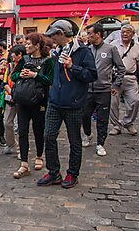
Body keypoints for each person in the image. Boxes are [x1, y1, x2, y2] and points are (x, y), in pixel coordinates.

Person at [37, 20, 97, 189]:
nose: (52, 40)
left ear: (62, 34)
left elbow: (91, 75)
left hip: (74, 103)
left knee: (74, 141)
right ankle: (54, 171)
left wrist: (73, 67)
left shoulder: (83, 52)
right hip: (55, 102)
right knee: (48, 136)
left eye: (54, 36)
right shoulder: (57, 52)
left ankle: (72, 173)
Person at [12, 33, 54, 178]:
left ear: (37, 46)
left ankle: (39, 156)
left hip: (39, 101)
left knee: (38, 129)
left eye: (29, 44)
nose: (26, 46)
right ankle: (24, 163)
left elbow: (50, 80)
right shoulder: (24, 59)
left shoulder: (48, 61)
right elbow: (13, 75)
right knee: (22, 131)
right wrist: (21, 75)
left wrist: (35, 75)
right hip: (23, 100)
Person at [83, 23, 125, 157]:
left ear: (98, 34)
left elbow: (121, 68)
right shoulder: (87, 50)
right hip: (88, 90)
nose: (88, 36)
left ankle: (100, 143)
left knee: (102, 119)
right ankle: (88, 134)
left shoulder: (110, 49)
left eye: (90, 33)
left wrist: (116, 84)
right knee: (85, 115)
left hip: (104, 90)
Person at [109, 24, 139, 136]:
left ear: (133, 34)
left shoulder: (138, 47)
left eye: (127, 32)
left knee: (134, 101)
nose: (125, 34)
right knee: (113, 103)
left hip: (130, 77)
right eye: (123, 32)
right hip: (115, 78)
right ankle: (116, 126)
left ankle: (128, 122)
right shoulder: (113, 45)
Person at [3, 44, 26, 155]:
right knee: (7, 122)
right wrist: (11, 92)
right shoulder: (10, 67)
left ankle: (21, 149)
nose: (11, 56)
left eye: (13, 54)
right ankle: (11, 143)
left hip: (22, 98)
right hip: (10, 97)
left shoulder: (26, 66)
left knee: (21, 126)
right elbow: (4, 82)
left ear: (20, 55)